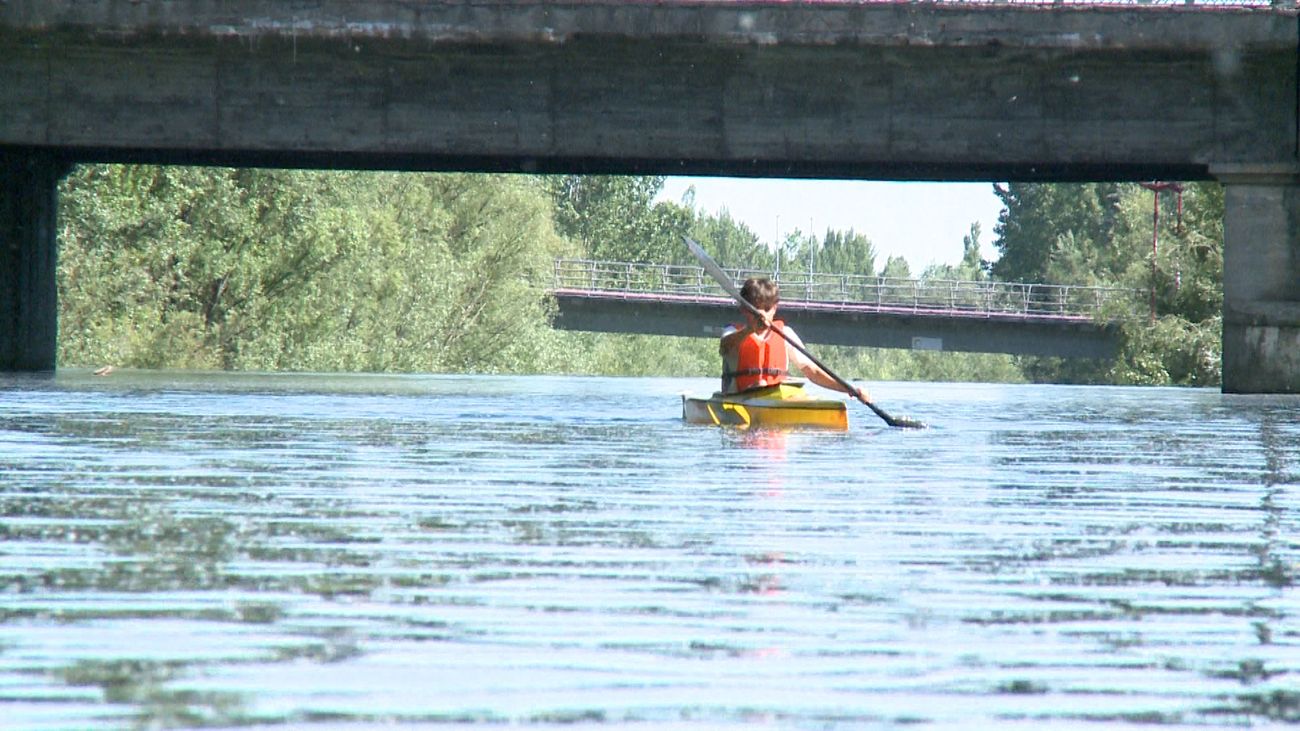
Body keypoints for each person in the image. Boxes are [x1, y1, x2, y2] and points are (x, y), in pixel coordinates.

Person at [719, 277, 872, 402]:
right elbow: (725, 347)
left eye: (767, 309)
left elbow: (813, 372)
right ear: (744, 310)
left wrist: (850, 390)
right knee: (760, 384)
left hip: (776, 400)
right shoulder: (732, 332)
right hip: (739, 399)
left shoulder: (786, 333)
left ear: (775, 308)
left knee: (793, 392)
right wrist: (750, 329)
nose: (762, 315)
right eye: (755, 310)